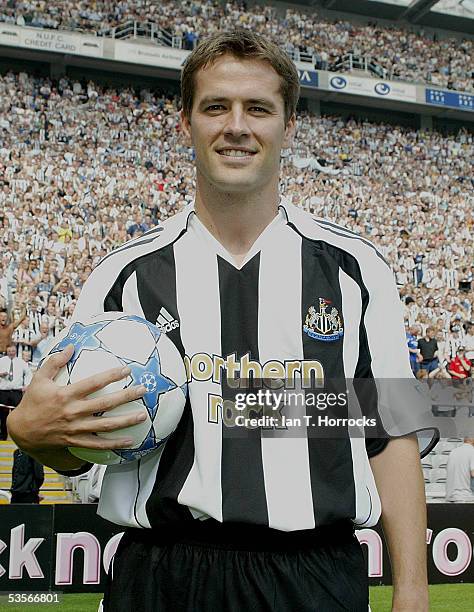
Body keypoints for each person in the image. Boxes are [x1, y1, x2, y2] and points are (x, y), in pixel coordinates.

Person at [8, 31, 430, 612]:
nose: (237, 126)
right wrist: (33, 437)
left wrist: (412, 590)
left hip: (314, 577)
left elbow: (393, 436)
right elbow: (82, 446)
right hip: (163, 574)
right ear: (186, 123)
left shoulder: (357, 270)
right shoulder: (122, 277)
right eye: (215, 107)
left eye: (258, 108)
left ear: (289, 124)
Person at [0, 344, 32, 439]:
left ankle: (18, 436)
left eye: (13, 351)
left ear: (15, 351)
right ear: (7, 351)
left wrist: (26, 385)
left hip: (16, 392)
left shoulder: (21, 362)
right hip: (3, 392)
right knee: (3, 415)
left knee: (17, 416)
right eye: (9, 351)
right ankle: (3, 435)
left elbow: (28, 374)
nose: (11, 353)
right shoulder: (1, 361)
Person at [445, 438, 474, 502]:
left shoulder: (453, 451)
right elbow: (473, 473)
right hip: (465, 497)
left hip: (450, 496)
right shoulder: (472, 451)